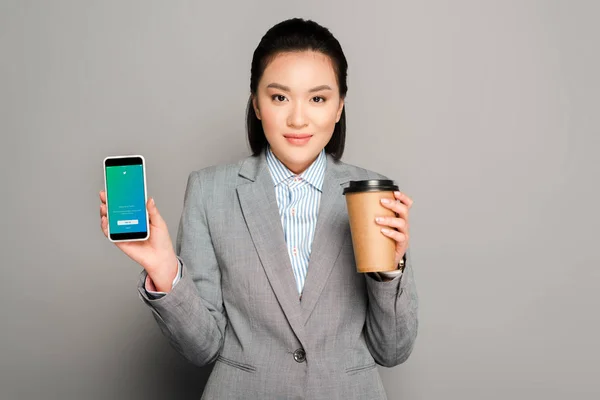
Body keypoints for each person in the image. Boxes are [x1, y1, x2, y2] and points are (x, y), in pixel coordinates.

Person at [99, 18, 418, 400]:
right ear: (256, 103)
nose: (298, 118)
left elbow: (393, 350)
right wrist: (164, 270)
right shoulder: (209, 190)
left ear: (339, 107)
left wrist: (388, 275)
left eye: (318, 99)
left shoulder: (373, 193)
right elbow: (202, 347)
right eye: (280, 97)